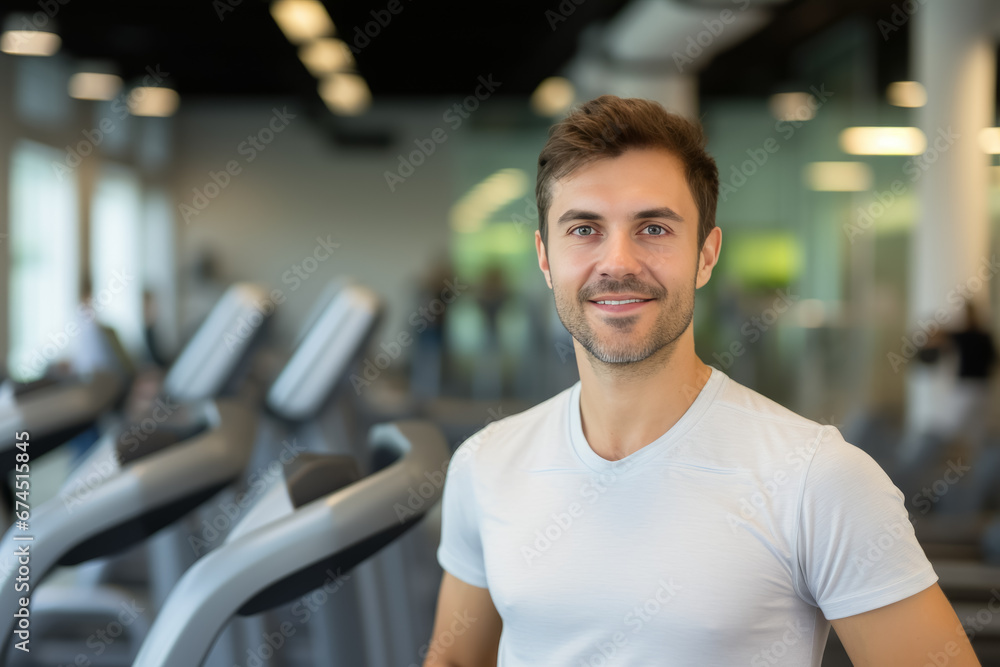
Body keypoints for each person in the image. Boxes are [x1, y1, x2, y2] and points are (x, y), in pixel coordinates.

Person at [424, 96, 980, 666]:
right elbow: (455, 660)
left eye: (654, 228)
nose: (618, 262)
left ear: (706, 255)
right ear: (545, 258)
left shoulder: (817, 478)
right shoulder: (485, 465)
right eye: (585, 228)